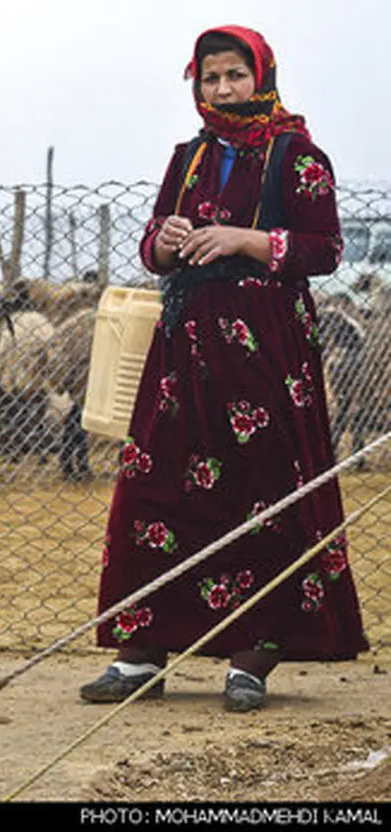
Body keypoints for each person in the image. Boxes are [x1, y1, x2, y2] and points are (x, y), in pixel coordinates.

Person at [79, 26, 368, 712]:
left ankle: (252, 659)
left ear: (261, 76)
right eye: (210, 78)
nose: (222, 89)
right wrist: (166, 241)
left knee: (263, 489)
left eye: (235, 75)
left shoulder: (296, 155)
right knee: (156, 487)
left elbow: (325, 248)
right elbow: (153, 244)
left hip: (266, 348)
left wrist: (246, 239)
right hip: (183, 348)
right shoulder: (189, 157)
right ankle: (141, 653)